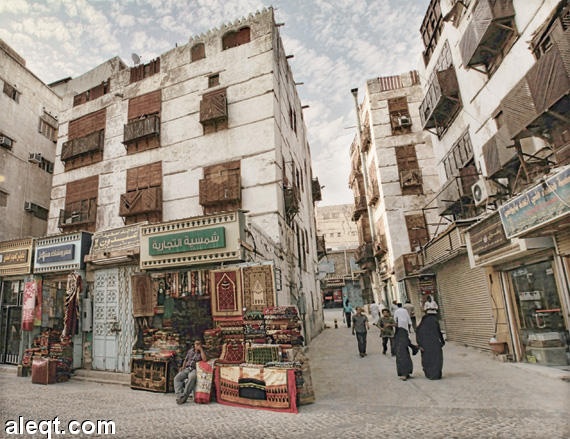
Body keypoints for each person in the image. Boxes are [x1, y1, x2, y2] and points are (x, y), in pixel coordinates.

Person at [174, 339, 207, 404]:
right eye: (196, 344)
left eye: (198, 344)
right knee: (177, 378)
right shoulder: (190, 351)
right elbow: (185, 360)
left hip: (194, 369)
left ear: (201, 345)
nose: (197, 345)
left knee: (192, 378)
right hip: (187, 368)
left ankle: (184, 397)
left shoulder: (202, 352)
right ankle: (179, 396)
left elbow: (205, 360)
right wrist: (182, 367)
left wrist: (201, 350)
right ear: (194, 345)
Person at [416, 313, 445, 380]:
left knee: (427, 360)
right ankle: (436, 374)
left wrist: (420, 345)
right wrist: (442, 342)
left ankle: (429, 374)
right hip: (435, 345)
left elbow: (418, 335)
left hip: (426, 346)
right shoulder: (434, 322)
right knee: (437, 359)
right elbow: (439, 333)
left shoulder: (421, 326)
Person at [393, 303, 418, 380]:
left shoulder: (396, 311)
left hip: (399, 333)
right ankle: (407, 372)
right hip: (405, 331)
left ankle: (404, 373)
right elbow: (409, 322)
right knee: (405, 353)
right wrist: (409, 330)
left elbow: (395, 321)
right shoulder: (405, 311)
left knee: (401, 354)